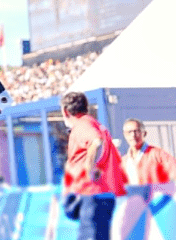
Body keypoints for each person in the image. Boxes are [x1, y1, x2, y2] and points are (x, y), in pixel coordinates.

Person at [61, 91, 126, 240]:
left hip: (92, 193)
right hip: (99, 194)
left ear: (65, 111)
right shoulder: (93, 123)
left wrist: (90, 169)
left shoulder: (83, 126)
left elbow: (96, 141)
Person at [121, 118, 176, 185]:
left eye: (137, 131)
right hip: (134, 195)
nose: (133, 135)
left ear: (144, 133)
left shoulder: (158, 154)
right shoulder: (124, 161)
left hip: (156, 194)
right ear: (124, 135)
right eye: (129, 132)